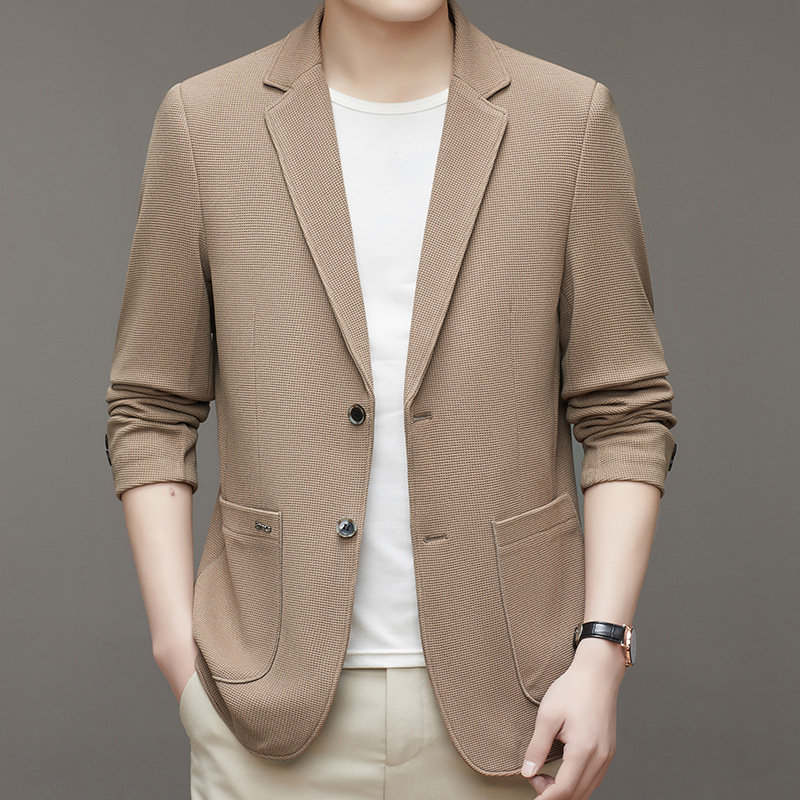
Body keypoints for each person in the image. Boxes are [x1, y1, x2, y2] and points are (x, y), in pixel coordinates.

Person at [104, 1, 677, 798]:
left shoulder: (568, 118)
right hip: (261, 704)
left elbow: (626, 412)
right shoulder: (206, 121)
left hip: (517, 705)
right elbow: (151, 405)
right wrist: (177, 647)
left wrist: (602, 651)